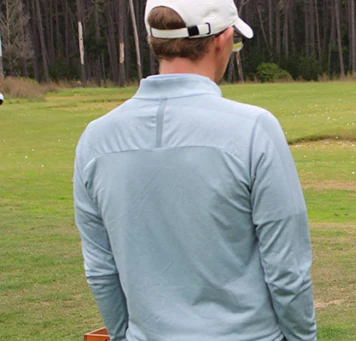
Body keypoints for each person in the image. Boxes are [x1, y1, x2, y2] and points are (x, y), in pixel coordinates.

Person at [73, 0, 316, 340]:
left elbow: (101, 270)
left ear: (153, 40)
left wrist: (123, 335)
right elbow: (286, 270)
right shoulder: (253, 129)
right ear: (223, 39)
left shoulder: (95, 139)